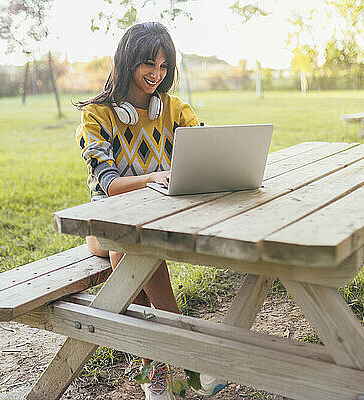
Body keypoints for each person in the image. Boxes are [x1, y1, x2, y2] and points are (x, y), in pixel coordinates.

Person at [74, 22, 226, 400]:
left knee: (136, 250)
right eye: (147, 64)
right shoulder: (97, 116)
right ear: (127, 63)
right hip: (105, 221)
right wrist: (158, 175)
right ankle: (193, 355)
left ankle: (154, 370)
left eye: (163, 66)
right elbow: (108, 185)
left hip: (160, 216)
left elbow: (208, 152)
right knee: (132, 243)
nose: (156, 75)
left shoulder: (175, 109)